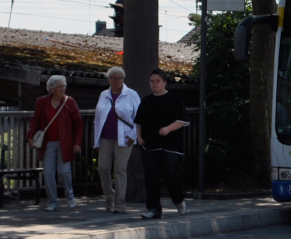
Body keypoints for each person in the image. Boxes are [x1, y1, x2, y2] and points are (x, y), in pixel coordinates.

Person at [135, 69, 189, 219]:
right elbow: (138, 121)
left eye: (157, 81)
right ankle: (153, 208)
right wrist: (139, 136)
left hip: (170, 146)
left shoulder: (174, 99)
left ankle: (178, 200)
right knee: (151, 177)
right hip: (149, 145)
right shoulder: (146, 100)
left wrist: (168, 129)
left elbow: (182, 120)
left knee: (172, 175)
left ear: (164, 82)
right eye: (152, 81)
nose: (154, 84)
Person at [26, 75, 84, 211]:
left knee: (64, 172)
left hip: (65, 143)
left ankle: (70, 197)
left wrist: (77, 142)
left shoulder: (70, 102)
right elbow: (34, 120)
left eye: (63, 86)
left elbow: (78, 124)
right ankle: (52, 201)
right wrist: (29, 137)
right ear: (51, 89)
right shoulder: (42, 102)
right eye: (59, 86)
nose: (62, 89)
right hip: (48, 143)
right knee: (48, 173)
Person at [94, 66, 141, 213]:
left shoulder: (131, 94)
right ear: (109, 80)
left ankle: (120, 203)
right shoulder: (103, 95)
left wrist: (134, 136)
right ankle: (109, 197)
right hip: (105, 137)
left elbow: (140, 118)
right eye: (114, 78)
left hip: (124, 138)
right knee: (103, 168)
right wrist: (96, 140)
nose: (117, 81)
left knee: (120, 170)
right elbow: (97, 119)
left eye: (119, 78)